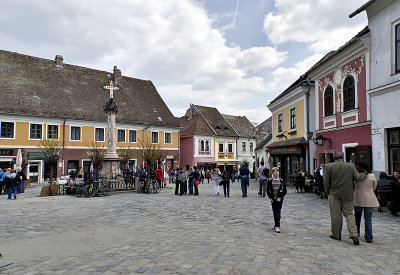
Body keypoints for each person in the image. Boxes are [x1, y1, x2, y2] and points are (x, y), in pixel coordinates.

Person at [323, 150, 367, 245]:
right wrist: (364, 174)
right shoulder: (350, 166)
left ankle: (336, 234)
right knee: (349, 214)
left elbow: (326, 181)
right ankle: (354, 234)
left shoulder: (329, 166)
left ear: (334, 157)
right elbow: (357, 178)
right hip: (347, 193)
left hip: (334, 194)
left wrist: (327, 191)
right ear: (342, 157)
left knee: (336, 215)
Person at [353, 160, 380, 243]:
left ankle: (356, 233)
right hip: (369, 198)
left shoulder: (357, 176)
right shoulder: (372, 176)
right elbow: (374, 186)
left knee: (357, 217)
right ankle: (368, 237)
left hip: (358, 197)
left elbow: (353, 185)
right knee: (368, 218)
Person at [266, 167, 287, 233]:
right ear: (272, 173)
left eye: (277, 171)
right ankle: (276, 225)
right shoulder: (270, 181)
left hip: (279, 200)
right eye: (275, 171)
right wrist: (271, 198)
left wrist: (280, 197)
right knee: (275, 212)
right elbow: (268, 191)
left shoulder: (281, 181)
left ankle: (277, 226)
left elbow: (284, 191)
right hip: (273, 200)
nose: (276, 173)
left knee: (278, 212)